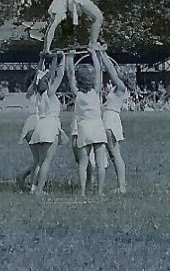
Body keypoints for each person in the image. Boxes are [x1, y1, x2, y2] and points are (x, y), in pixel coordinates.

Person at [65, 47, 109, 196]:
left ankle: (83, 191)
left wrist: (69, 57)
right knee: (100, 163)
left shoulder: (76, 93)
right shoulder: (96, 90)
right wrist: (94, 54)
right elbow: (99, 71)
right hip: (97, 126)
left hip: (84, 127)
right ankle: (99, 192)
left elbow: (70, 74)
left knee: (83, 164)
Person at [20, 54, 67, 193]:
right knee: (45, 161)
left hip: (37, 126)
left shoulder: (35, 92)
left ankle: (33, 187)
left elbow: (42, 77)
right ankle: (39, 189)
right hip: (47, 126)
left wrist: (47, 59)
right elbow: (58, 75)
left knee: (38, 161)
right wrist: (62, 59)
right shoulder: (50, 92)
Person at [100, 53, 132, 194]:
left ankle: (122, 186)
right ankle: (120, 186)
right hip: (107, 117)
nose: (117, 73)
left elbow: (111, 70)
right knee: (111, 154)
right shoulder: (115, 89)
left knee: (115, 153)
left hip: (111, 120)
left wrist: (101, 53)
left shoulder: (121, 88)